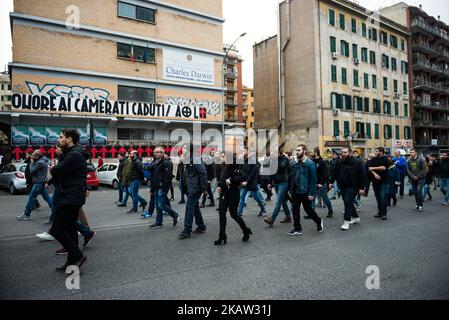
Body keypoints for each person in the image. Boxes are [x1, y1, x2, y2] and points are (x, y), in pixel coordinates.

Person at [49, 128, 88, 271]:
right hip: (71, 195)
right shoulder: (71, 153)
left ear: (69, 139)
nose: (58, 140)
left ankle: (78, 255)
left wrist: (53, 167)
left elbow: (56, 172)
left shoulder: (74, 155)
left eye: (61, 137)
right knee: (70, 229)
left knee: (56, 229)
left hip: (71, 197)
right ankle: (72, 261)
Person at [215, 154, 252, 245]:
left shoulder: (237, 169)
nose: (222, 158)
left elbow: (243, 177)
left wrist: (232, 180)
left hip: (233, 194)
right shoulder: (224, 168)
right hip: (224, 194)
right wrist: (219, 186)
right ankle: (222, 235)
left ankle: (246, 230)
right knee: (221, 213)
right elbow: (221, 180)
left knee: (234, 214)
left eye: (224, 157)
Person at [287, 145, 323, 236]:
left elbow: (313, 180)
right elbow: (293, 178)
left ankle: (318, 221)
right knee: (295, 210)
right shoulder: (296, 163)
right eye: (296, 150)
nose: (297, 152)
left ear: (304, 151)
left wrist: (311, 193)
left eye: (299, 150)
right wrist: (290, 190)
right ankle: (297, 228)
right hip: (295, 191)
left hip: (305, 191)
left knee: (308, 210)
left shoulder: (310, 164)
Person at [329, 147, 367, 231]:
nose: (343, 154)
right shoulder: (339, 162)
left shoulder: (357, 162)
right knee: (347, 201)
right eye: (342, 152)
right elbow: (334, 172)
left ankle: (346, 221)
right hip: (342, 185)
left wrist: (362, 187)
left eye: (345, 152)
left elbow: (363, 175)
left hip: (354, 186)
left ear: (349, 153)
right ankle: (356, 217)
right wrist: (331, 182)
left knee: (348, 201)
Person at [178, 143, 208, 239]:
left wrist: (204, 188)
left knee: (189, 207)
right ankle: (201, 226)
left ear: (190, 150)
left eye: (185, 148)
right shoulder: (184, 160)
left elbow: (203, 173)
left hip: (195, 188)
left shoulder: (196, 159)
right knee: (194, 207)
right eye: (182, 148)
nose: (183, 150)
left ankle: (187, 230)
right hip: (188, 187)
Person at [17, 150, 53, 221]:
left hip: (38, 183)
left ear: (37, 156)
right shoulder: (43, 161)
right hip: (41, 182)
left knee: (31, 197)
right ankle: (56, 211)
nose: (31, 158)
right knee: (47, 198)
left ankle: (26, 214)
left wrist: (31, 163)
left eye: (33, 156)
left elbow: (32, 171)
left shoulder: (40, 162)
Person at [148, 147, 179, 228]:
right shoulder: (156, 162)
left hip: (162, 188)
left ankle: (174, 214)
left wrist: (165, 190)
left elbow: (168, 178)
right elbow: (154, 176)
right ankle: (158, 222)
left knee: (161, 205)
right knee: (158, 206)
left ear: (162, 153)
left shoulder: (166, 163)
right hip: (156, 187)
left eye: (158, 152)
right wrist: (152, 189)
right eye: (155, 152)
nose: (156, 153)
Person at [263, 147, 292, 227]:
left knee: (278, 200)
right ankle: (288, 217)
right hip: (276, 183)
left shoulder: (285, 160)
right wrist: (269, 183)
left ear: (278, 153)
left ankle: (272, 219)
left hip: (283, 183)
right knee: (282, 201)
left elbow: (282, 168)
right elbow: (271, 172)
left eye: (274, 153)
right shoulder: (274, 160)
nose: (272, 154)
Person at [237, 149, 267, 217]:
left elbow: (252, 173)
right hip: (244, 183)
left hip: (251, 182)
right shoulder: (243, 160)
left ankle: (263, 209)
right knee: (242, 196)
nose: (242, 152)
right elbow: (241, 171)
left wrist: (247, 181)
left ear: (248, 152)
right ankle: (240, 212)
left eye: (244, 151)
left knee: (256, 197)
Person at [368, 147, 390, 220]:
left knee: (382, 196)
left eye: (376, 151)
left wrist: (373, 168)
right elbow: (369, 168)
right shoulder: (373, 159)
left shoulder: (385, 159)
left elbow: (383, 168)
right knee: (377, 197)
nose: (375, 152)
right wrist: (375, 174)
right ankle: (380, 212)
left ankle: (384, 213)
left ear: (381, 152)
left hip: (384, 181)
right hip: (375, 181)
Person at [310, 147, 333, 218]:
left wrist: (321, 183)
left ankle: (330, 211)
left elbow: (325, 174)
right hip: (314, 183)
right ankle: (311, 213)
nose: (311, 153)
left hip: (321, 184)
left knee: (325, 198)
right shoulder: (312, 161)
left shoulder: (322, 162)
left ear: (316, 153)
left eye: (312, 152)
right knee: (312, 198)